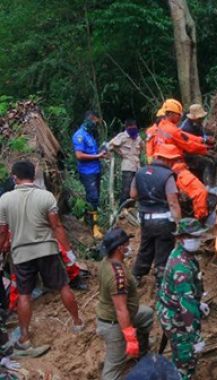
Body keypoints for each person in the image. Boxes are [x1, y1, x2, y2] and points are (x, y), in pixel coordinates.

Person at [0, 161, 83, 355]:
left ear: (15, 177)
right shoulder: (46, 196)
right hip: (47, 249)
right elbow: (57, 227)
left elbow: (3, 232)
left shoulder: (4, 200)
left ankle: (25, 338)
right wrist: (69, 254)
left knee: (24, 295)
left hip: (21, 254)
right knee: (63, 286)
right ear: (33, 176)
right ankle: (77, 322)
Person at [96, 227, 153, 380]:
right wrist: (129, 338)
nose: (130, 246)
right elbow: (121, 309)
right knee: (114, 367)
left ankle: (142, 352)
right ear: (120, 248)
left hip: (113, 316)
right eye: (127, 244)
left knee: (146, 314)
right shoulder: (118, 277)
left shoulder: (106, 261)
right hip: (113, 324)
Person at [156, 218, 208, 380]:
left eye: (197, 236)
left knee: (181, 354)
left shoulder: (181, 253)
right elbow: (186, 307)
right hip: (176, 318)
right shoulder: (182, 267)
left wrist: (198, 303)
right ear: (180, 238)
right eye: (191, 237)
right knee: (185, 359)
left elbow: (186, 297)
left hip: (172, 310)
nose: (196, 240)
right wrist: (194, 339)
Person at [130, 144, 182, 285]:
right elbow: (173, 203)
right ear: (166, 159)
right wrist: (179, 224)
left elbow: (133, 194)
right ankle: (161, 283)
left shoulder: (140, 172)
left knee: (146, 248)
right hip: (164, 221)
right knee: (163, 250)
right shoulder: (168, 176)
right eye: (172, 160)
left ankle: (136, 276)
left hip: (146, 219)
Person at [72, 110, 105, 239]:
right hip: (87, 172)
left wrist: (100, 154)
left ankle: (86, 221)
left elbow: (93, 153)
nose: (95, 124)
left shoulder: (90, 135)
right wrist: (97, 155)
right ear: (90, 119)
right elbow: (79, 155)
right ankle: (94, 227)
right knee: (93, 198)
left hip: (95, 170)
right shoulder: (79, 135)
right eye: (95, 121)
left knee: (93, 198)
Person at [108, 119, 146, 206]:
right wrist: (118, 152)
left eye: (135, 128)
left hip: (137, 166)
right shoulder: (122, 137)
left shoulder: (138, 137)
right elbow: (110, 145)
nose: (133, 130)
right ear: (127, 127)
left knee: (135, 190)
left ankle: (131, 209)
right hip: (127, 166)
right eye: (131, 128)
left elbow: (143, 148)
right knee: (126, 189)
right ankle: (122, 209)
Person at [180, 104, 216, 186]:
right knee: (209, 163)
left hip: (197, 149)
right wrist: (205, 151)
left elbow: (201, 136)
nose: (202, 119)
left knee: (213, 157)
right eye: (200, 118)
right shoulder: (186, 129)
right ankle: (209, 186)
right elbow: (190, 147)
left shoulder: (197, 124)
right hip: (187, 155)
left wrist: (207, 139)